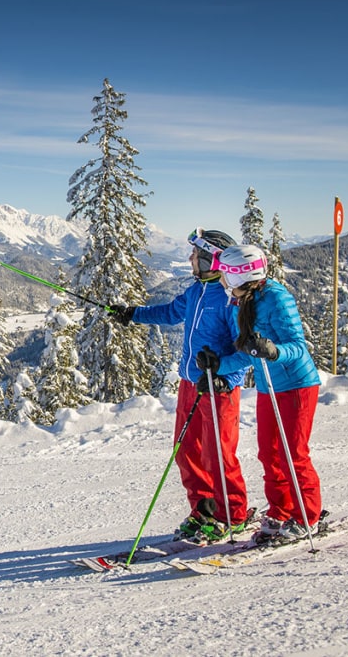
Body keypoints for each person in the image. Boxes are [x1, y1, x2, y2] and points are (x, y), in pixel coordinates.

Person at [110, 228, 251, 541]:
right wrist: (133, 314)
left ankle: (233, 514)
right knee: (186, 450)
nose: (190, 259)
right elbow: (171, 312)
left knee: (218, 455)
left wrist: (224, 375)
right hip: (191, 384)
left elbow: (246, 350)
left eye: (195, 255)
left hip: (219, 389)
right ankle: (205, 510)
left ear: (211, 260)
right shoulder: (196, 291)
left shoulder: (229, 299)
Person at [196, 244, 323, 543]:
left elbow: (297, 346)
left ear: (241, 276)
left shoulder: (276, 298)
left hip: (296, 385)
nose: (222, 280)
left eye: (225, 274)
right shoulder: (245, 302)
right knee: (269, 453)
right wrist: (219, 365)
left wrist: (275, 351)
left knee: (294, 454)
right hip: (269, 386)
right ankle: (280, 510)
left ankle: (307, 515)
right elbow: (249, 353)